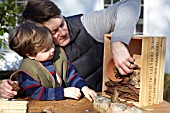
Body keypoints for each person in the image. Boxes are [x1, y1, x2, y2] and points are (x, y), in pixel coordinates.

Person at [0, 0, 141, 98]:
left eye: (62, 23)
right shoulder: (36, 50)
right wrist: (12, 88)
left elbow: (130, 3)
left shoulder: (88, 24)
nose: (62, 32)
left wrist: (118, 42)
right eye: (53, 32)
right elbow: (35, 84)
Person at [7, 21, 96, 101]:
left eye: (52, 44)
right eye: (46, 50)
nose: (52, 50)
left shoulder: (59, 55)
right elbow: (36, 93)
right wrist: (63, 92)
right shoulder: (27, 70)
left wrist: (84, 88)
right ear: (31, 55)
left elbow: (71, 76)